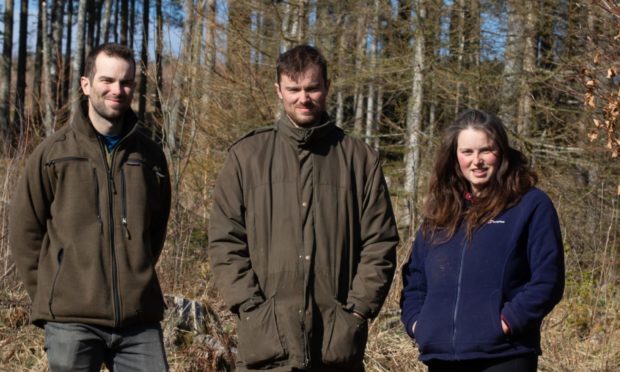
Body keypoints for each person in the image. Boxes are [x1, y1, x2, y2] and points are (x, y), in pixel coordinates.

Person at [208, 44, 399, 371]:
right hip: (266, 343)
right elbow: (226, 241)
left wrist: (355, 311)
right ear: (278, 90)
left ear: (326, 87)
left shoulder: (358, 159)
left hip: (336, 344)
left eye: (312, 88)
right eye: (294, 89)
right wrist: (251, 306)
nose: (304, 98)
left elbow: (379, 243)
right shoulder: (246, 156)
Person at [9, 43, 171, 372]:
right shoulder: (52, 154)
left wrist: (133, 272)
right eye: (107, 80)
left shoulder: (150, 157)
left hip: (139, 320)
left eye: (126, 82)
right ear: (86, 85)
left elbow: (155, 230)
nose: (117, 90)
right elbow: (25, 231)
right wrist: (51, 293)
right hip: (71, 321)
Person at [400, 109, 565, 372]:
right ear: (455, 157)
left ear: (501, 152)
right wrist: (419, 325)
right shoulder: (440, 211)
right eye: (467, 152)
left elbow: (548, 278)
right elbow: (415, 279)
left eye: (486, 150)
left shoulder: (530, 205)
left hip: (505, 355)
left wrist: (506, 322)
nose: (477, 161)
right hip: (441, 356)